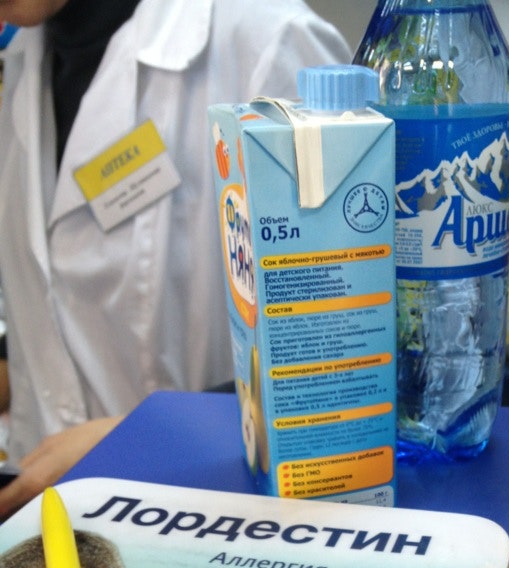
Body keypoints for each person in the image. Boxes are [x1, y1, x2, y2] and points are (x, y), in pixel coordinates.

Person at [0, 0, 351, 517]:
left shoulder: (266, 40)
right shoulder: (25, 58)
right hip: (44, 515)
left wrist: (147, 435)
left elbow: (346, 358)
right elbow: (55, 288)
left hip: (222, 517)